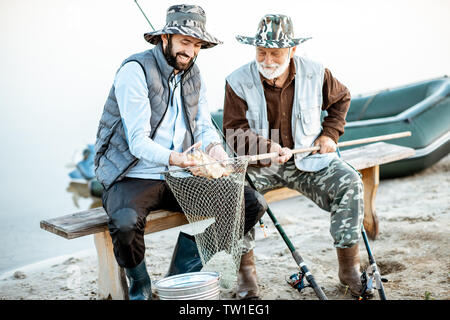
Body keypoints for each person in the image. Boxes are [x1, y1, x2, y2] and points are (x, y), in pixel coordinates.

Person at [94, 4, 267, 300]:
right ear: (165, 38)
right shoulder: (134, 71)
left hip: (178, 174)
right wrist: (180, 158)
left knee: (250, 203)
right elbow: (137, 141)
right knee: (124, 223)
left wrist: (215, 150)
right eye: (185, 42)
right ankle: (141, 286)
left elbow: (202, 126)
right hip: (132, 173)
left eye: (197, 44)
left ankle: (179, 275)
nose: (191, 51)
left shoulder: (194, 74)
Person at [223, 14, 376, 299]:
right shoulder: (236, 80)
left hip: (309, 159)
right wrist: (265, 147)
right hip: (261, 165)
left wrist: (329, 135)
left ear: (292, 51)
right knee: (233, 192)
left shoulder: (317, 72)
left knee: (350, 182)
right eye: (261, 52)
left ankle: (349, 269)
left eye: (275, 53)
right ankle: (246, 276)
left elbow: (341, 100)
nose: (267, 60)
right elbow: (233, 130)